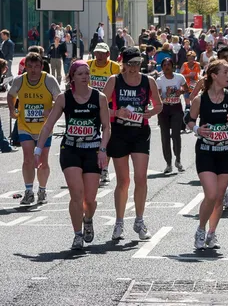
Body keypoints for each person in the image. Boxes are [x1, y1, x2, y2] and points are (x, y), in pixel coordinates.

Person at [34, 61, 110, 249]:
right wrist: (38, 150)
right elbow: (48, 126)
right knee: (76, 194)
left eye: (87, 73)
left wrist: (102, 150)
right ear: (72, 77)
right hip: (71, 149)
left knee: (90, 200)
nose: (85, 77)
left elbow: (107, 128)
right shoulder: (63, 98)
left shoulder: (99, 97)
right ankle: (77, 235)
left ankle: (88, 219)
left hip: (92, 150)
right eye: (80, 74)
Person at [103, 47, 162, 241]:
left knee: (141, 178)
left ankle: (139, 220)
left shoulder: (148, 81)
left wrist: (150, 112)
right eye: (130, 64)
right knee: (123, 181)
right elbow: (100, 107)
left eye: (137, 64)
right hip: (118, 132)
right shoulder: (114, 81)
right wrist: (116, 113)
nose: (134, 68)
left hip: (139, 133)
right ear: (124, 63)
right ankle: (119, 222)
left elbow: (159, 105)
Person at [187, 59, 228, 250]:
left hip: (227, 152)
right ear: (214, 76)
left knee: (219, 197)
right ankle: (201, 229)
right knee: (210, 194)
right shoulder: (200, 100)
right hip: (206, 152)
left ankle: (212, 233)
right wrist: (196, 129)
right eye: (225, 72)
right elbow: (189, 120)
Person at [7, 52, 61, 205]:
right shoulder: (20, 80)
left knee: (43, 161)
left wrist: (50, 111)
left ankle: (42, 190)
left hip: (45, 128)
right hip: (25, 126)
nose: (33, 70)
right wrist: (12, 110)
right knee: (27, 159)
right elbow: (11, 96)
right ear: (25, 67)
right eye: (29, 67)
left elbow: (60, 100)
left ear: (41, 67)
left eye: (36, 67)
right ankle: (29, 191)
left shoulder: (48, 80)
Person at [87, 42, 121, 183]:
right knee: (89, 137)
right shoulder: (88, 65)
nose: (99, 56)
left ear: (108, 54)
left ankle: (104, 169)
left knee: (107, 138)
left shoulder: (114, 67)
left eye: (102, 53)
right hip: (90, 105)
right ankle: (90, 167)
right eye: (97, 53)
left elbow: (120, 87)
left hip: (109, 106)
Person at [156, 58, 188, 174]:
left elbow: (186, 88)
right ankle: (168, 163)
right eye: (164, 65)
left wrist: (181, 91)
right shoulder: (159, 80)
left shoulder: (179, 77)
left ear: (173, 66)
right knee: (165, 137)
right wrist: (165, 95)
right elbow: (157, 97)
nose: (166, 67)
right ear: (162, 67)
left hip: (176, 108)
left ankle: (178, 160)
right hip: (164, 109)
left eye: (168, 65)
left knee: (176, 135)